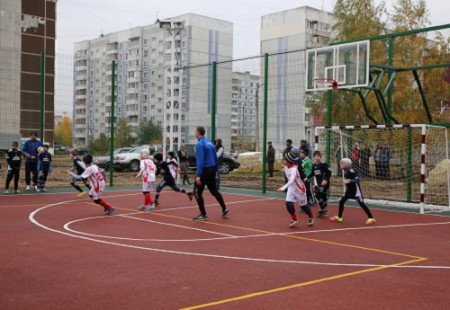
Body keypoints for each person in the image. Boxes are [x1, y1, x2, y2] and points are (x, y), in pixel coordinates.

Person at [192, 126, 230, 221]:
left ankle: (203, 214)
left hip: (205, 170)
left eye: (195, 131)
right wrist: (216, 170)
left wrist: (198, 175)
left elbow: (200, 161)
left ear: (198, 133)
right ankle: (224, 209)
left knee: (197, 192)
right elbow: (215, 157)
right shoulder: (210, 143)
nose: (194, 133)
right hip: (212, 169)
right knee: (214, 191)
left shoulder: (200, 144)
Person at [330, 158, 376, 225]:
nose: (340, 164)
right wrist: (346, 182)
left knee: (362, 204)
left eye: (341, 163)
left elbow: (359, 179)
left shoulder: (351, 171)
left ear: (346, 164)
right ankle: (339, 217)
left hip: (356, 191)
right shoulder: (345, 170)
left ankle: (371, 218)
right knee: (341, 202)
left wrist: (349, 181)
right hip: (349, 191)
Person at [276, 151, 314, 228]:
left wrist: (283, 188)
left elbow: (291, 180)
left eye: (285, 160)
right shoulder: (286, 167)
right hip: (291, 188)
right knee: (288, 203)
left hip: (299, 189)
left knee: (304, 206)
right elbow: (288, 179)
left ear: (289, 161)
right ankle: (295, 220)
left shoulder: (294, 169)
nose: (284, 161)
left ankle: (311, 217)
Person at [309, 150, 332, 217]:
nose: (316, 157)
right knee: (321, 196)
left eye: (318, 156)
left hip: (324, 183)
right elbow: (312, 173)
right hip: (319, 184)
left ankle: (324, 207)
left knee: (318, 194)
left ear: (320, 157)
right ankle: (323, 209)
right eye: (315, 156)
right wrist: (307, 177)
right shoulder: (314, 165)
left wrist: (325, 180)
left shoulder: (324, 164)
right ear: (313, 157)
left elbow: (329, 172)